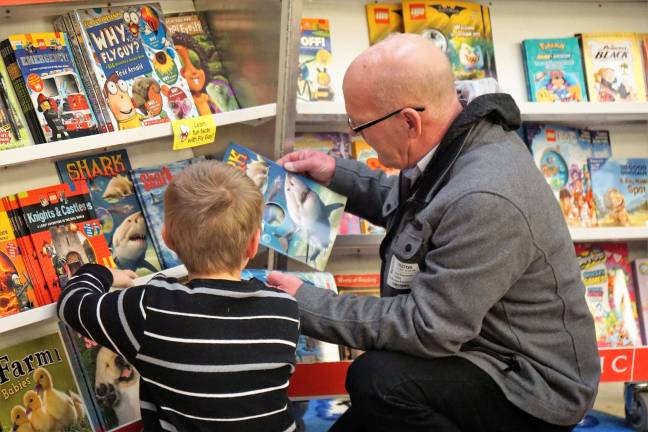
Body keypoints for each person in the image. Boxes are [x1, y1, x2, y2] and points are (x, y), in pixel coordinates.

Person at [268, 33, 600, 432]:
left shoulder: (485, 195)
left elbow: (426, 327)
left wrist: (305, 303)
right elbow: (418, 209)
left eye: (360, 126)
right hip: (479, 348)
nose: (360, 137)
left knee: (378, 380)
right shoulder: (458, 143)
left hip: (530, 385)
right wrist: (337, 174)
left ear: (409, 121)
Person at [58, 160, 299, 432]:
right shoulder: (284, 309)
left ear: (167, 239)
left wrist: (103, 273)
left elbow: (72, 304)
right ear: (254, 243)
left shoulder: (152, 307)